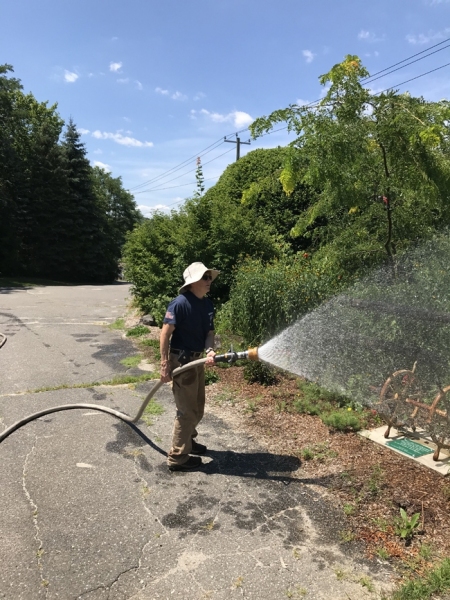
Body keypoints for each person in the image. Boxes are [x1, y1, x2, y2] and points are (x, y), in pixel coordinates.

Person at [160, 262, 219, 471]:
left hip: (198, 360)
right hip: (182, 362)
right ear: (193, 282)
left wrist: (210, 350)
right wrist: (165, 364)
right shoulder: (180, 304)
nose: (209, 280)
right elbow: (165, 333)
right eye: (205, 277)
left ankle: (189, 442)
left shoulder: (208, 305)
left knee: (198, 408)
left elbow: (209, 334)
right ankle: (177, 458)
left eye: (209, 277)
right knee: (186, 412)